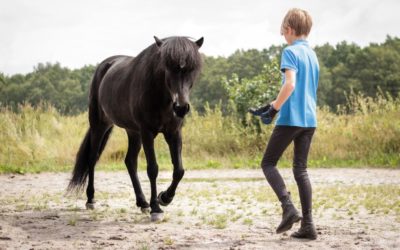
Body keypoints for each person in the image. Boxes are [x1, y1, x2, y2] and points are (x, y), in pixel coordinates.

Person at [249, 8, 319, 240]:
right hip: (309, 119)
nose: (283, 37)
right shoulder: (312, 55)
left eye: (283, 32)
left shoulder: (290, 51)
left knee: (268, 163)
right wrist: (270, 105)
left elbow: (290, 85)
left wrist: (275, 109)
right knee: (300, 170)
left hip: (290, 118)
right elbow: (302, 90)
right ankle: (308, 225)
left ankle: (288, 208)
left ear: (289, 29)